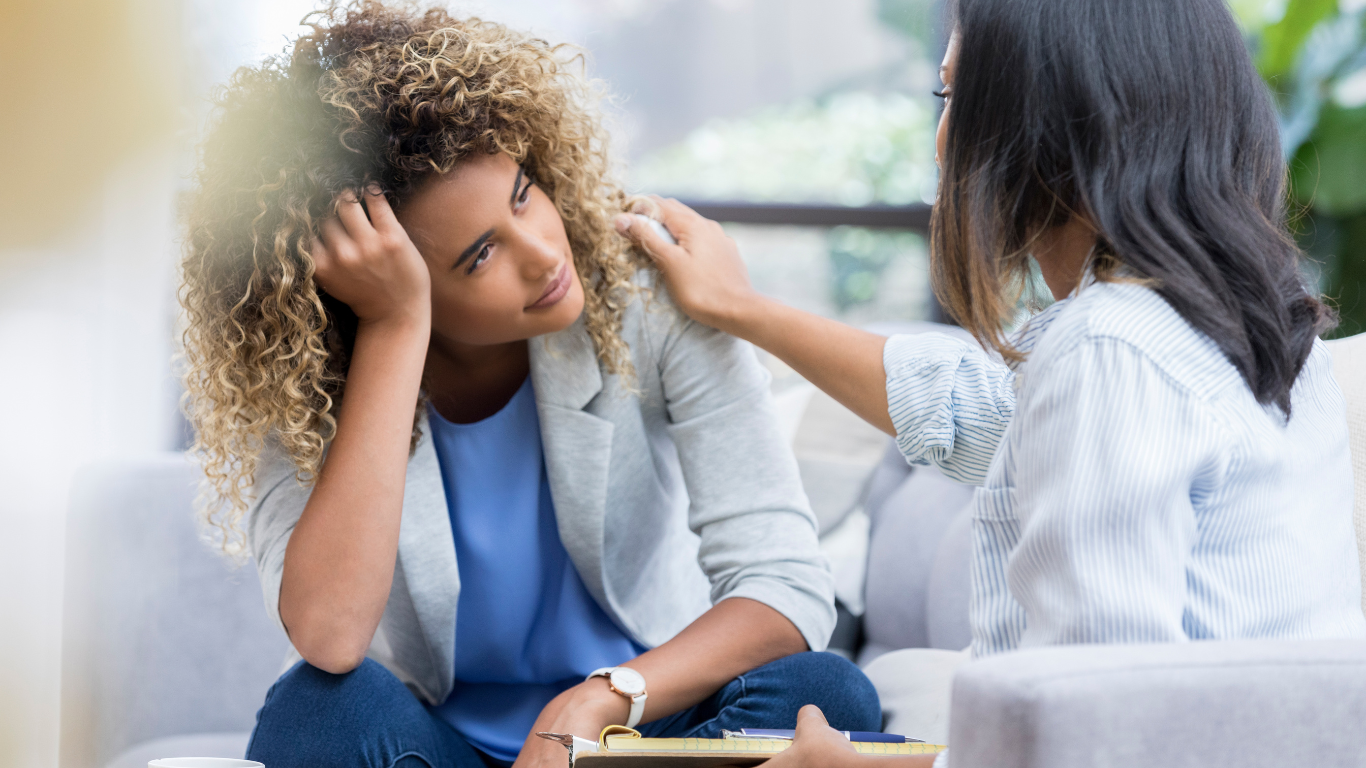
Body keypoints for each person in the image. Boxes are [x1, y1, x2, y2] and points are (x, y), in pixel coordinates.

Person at [615, 0, 1366, 765]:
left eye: (955, 99)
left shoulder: (1110, 351)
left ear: (1053, 124)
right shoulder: (1261, 338)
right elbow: (975, 414)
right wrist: (741, 309)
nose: (943, 144)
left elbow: (1095, 729)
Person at [178, 4, 879, 767]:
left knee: (827, 695)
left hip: (639, 732)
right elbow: (329, 635)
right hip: (434, 744)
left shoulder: (648, 301)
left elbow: (783, 583)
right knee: (316, 711)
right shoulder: (307, 378)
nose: (545, 254)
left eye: (523, 194)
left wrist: (600, 697)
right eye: (479, 256)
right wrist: (392, 331)